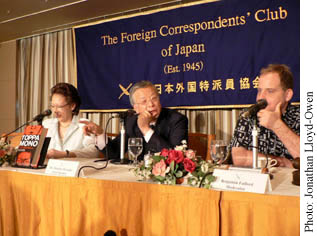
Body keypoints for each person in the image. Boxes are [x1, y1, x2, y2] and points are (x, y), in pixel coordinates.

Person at [81, 80, 188, 160]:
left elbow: (175, 157)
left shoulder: (177, 120)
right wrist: (100, 133)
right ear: (135, 108)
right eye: (144, 101)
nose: (151, 104)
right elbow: (114, 154)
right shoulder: (131, 121)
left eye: (154, 98)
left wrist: (145, 129)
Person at [229, 64, 300, 168]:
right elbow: (238, 157)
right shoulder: (249, 114)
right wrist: (280, 162)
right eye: (259, 91)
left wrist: (276, 125)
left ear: (287, 95)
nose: (260, 97)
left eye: (270, 91)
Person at [43, 82, 99, 159]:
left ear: (72, 106)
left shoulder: (83, 124)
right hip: (48, 169)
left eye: (59, 106)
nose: (55, 111)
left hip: (74, 169)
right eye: (53, 106)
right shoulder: (46, 124)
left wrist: (66, 154)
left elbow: (93, 152)